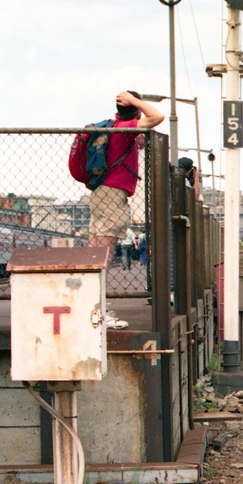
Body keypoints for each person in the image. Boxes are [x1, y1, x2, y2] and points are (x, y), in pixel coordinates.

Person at [89, 90, 164, 328]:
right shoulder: (123, 129)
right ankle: (96, 310)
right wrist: (136, 104)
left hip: (105, 192)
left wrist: (137, 131)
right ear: (136, 110)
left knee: (98, 252)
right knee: (104, 254)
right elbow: (158, 116)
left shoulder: (120, 128)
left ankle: (94, 307)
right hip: (112, 193)